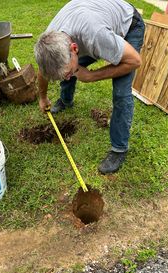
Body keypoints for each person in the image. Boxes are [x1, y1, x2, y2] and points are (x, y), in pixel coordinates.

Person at [34, 0, 145, 174]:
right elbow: (44, 71)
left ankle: (119, 148)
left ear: (74, 48)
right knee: (68, 70)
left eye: (69, 71)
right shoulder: (49, 44)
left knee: (121, 94)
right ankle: (65, 100)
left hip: (129, 25)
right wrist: (42, 97)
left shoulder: (95, 36)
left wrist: (92, 76)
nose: (67, 76)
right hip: (94, 21)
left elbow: (134, 61)